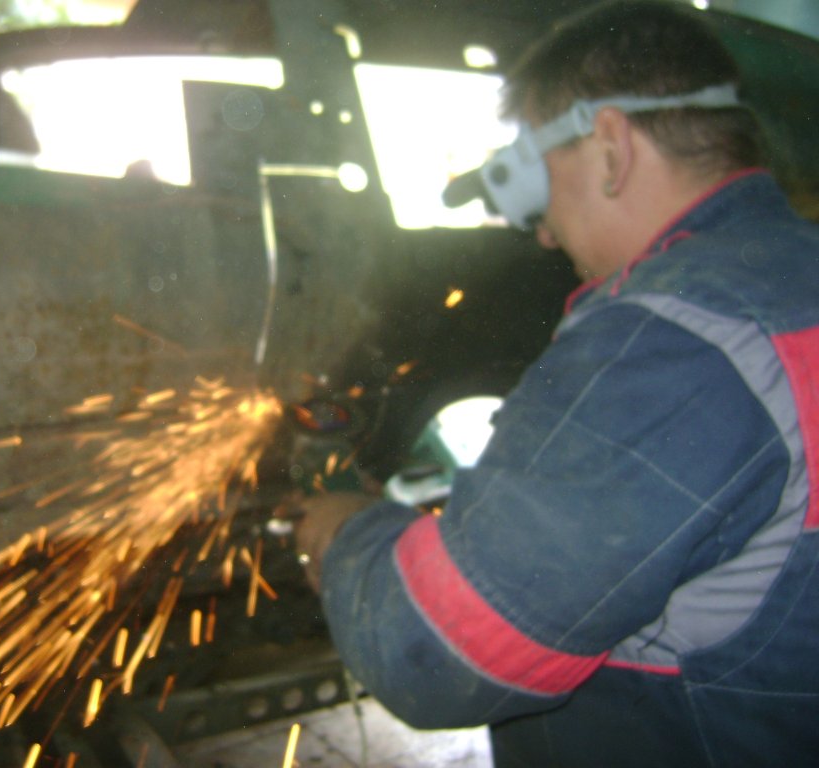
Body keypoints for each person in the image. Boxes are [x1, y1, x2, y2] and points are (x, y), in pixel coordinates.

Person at [295, 1, 819, 766]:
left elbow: (435, 652)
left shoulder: (671, 338)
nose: (542, 232)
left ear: (610, 147)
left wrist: (349, 533)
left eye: (535, 183)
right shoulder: (792, 282)